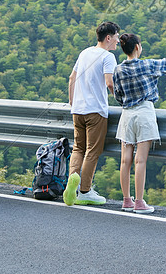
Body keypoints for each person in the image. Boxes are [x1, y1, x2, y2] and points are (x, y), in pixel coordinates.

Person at [113, 33, 166, 214]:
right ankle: (139, 202)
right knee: (140, 160)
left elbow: (118, 96)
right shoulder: (147, 65)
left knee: (125, 160)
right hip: (144, 113)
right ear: (137, 47)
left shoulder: (118, 70)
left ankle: (126, 201)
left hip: (127, 115)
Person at [62, 21, 120, 206]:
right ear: (108, 38)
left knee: (78, 148)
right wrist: (120, 98)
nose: (118, 41)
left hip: (77, 110)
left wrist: (73, 101)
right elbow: (109, 82)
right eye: (117, 37)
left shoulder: (85, 52)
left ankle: (72, 180)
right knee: (92, 151)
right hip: (95, 111)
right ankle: (85, 191)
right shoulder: (108, 57)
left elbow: (72, 77)